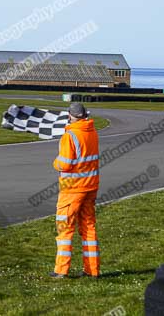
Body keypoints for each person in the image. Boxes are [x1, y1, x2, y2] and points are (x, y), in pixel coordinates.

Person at [50, 102, 100, 279]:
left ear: (70, 115)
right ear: (85, 115)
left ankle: (61, 270)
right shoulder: (92, 132)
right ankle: (92, 270)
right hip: (91, 186)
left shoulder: (69, 135)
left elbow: (64, 164)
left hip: (72, 189)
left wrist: (55, 163)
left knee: (64, 228)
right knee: (88, 227)